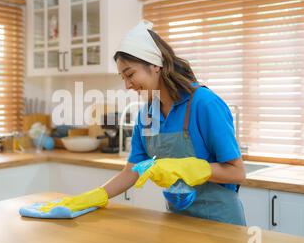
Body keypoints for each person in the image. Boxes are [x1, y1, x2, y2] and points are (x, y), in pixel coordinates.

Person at [32, 20, 246, 226]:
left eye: (130, 74)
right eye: (122, 77)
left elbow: (237, 173)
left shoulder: (204, 104)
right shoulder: (148, 114)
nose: (127, 85)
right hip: (178, 221)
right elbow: (132, 171)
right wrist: (95, 196)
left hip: (220, 223)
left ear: (155, 65)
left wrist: (192, 167)